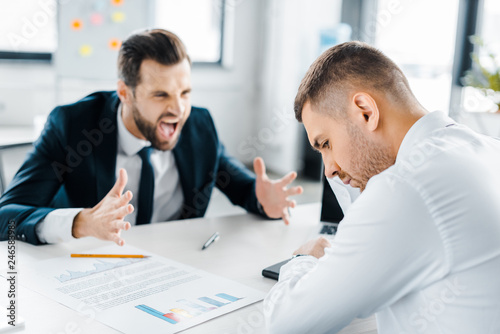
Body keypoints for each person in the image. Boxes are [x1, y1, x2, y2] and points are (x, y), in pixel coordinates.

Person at [264, 41, 500, 333]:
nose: (329, 169)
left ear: (365, 111)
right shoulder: (486, 149)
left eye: (326, 143)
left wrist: (302, 260)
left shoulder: (406, 187)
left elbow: (285, 325)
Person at [0, 29, 302, 246]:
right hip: (90, 273)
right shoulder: (72, 126)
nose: (178, 109)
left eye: (185, 92)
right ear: (124, 93)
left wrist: (265, 201)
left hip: (176, 268)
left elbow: (241, 185)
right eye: (161, 95)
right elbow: (7, 216)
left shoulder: (199, 125)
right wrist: (82, 222)